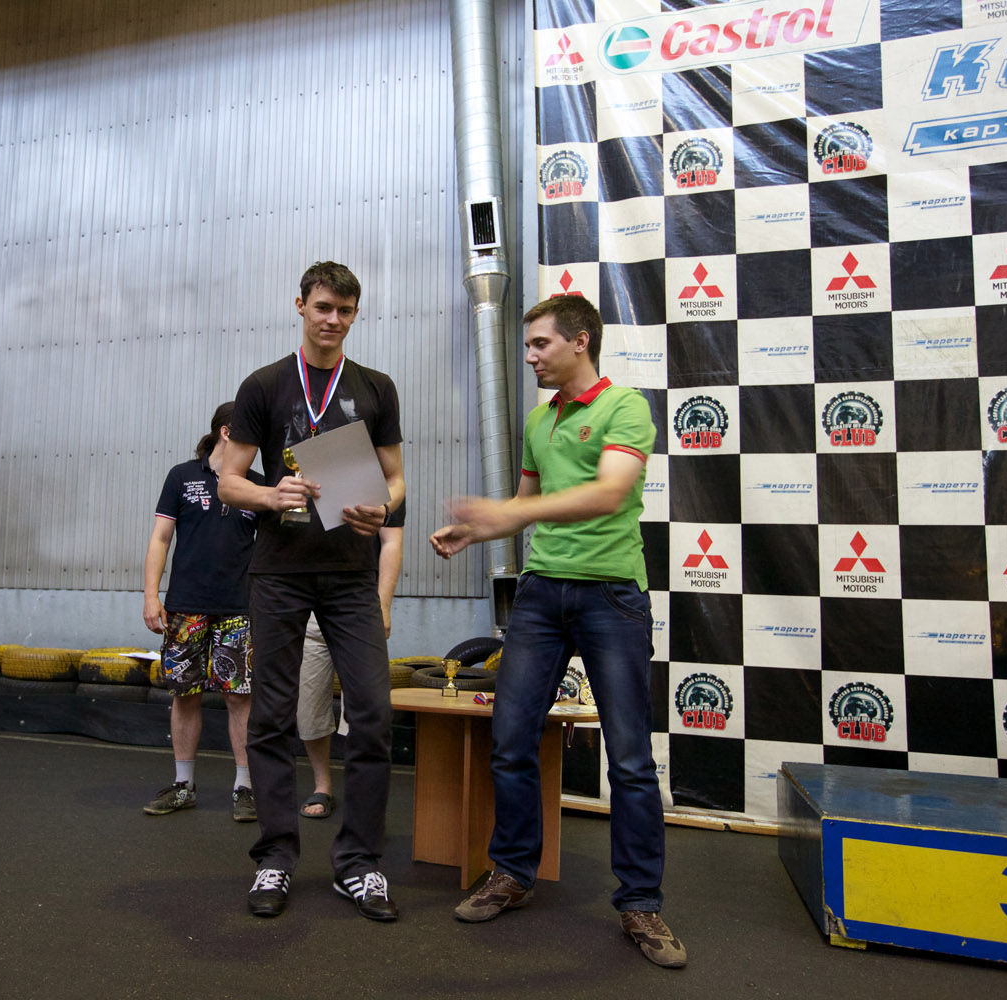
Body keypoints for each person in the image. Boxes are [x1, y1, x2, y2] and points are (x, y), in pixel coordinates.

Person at [429, 294, 685, 969]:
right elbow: (526, 502)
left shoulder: (625, 407)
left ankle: (641, 903)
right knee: (511, 740)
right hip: (541, 593)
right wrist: (476, 528)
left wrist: (512, 513)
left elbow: (607, 492)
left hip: (611, 595)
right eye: (528, 345)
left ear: (580, 341)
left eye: (540, 343)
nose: (531, 356)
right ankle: (514, 872)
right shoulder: (539, 420)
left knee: (630, 759)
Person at [217, 261, 405, 922]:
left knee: (373, 715)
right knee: (271, 717)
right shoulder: (265, 385)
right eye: (323, 307)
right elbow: (228, 481)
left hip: (351, 574)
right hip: (279, 572)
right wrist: (272, 495)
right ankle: (274, 857)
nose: (333, 320)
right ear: (300, 305)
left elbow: (396, 479)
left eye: (345, 311)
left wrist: (384, 507)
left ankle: (360, 864)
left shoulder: (376, 387)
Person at [142, 402, 264, 823]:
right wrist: (151, 595)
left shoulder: (257, 485)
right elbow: (160, 538)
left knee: (239, 697)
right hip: (185, 606)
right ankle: (183, 785)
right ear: (227, 432)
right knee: (185, 693)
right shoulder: (182, 477)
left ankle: (245, 789)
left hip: (239, 607)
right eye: (249, 433)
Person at [296, 512, 404, 820]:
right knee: (308, 708)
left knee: (366, 708)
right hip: (305, 604)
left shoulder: (386, 487)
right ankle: (322, 785)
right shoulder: (301, 483)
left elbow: (392, 541)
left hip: (357, 604)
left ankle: (361, 793)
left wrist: (383, 606)